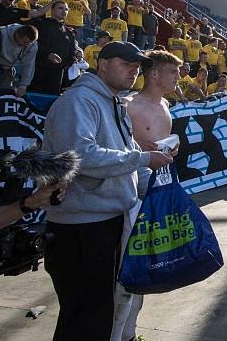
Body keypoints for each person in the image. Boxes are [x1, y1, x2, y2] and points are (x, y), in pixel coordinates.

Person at [42, 41, 173, 340]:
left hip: (107, 220)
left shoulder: (115, 103)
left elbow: (127, 152)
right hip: (81, 228)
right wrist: (142, 159)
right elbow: (81, 156)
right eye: (126, 63)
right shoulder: (78, 102)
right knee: (84, 317)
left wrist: (151, 186)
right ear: (101, 64)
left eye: (137, 65)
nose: (134, 70)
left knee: (100, 312)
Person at [114, 50, 182, 341]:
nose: (178, 77)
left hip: (157, 192)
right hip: (130, 194)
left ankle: (129, 333)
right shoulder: (128, 105)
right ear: (154, 74)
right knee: (125, 274)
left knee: (146, 270)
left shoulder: (166, 105)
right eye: (172, 71)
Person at [28, 0, 77, 95]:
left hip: (58, 74)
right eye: (60, 8)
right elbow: (33, 43)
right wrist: (47, 54)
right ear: (52, 10)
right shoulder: (41, 24)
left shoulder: (69, 32)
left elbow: (73, 52)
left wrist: (66, 65)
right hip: (38, 69)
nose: (64, 11)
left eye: (66, 9)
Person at [0, 23, 38, 96]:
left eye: (29, 43)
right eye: (25, 42)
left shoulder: (32, 45)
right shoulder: (1, 33)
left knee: (3, 95)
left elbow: (29, 65)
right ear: (17, 35)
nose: (26, 45)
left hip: (8, 70)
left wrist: (23, 85)